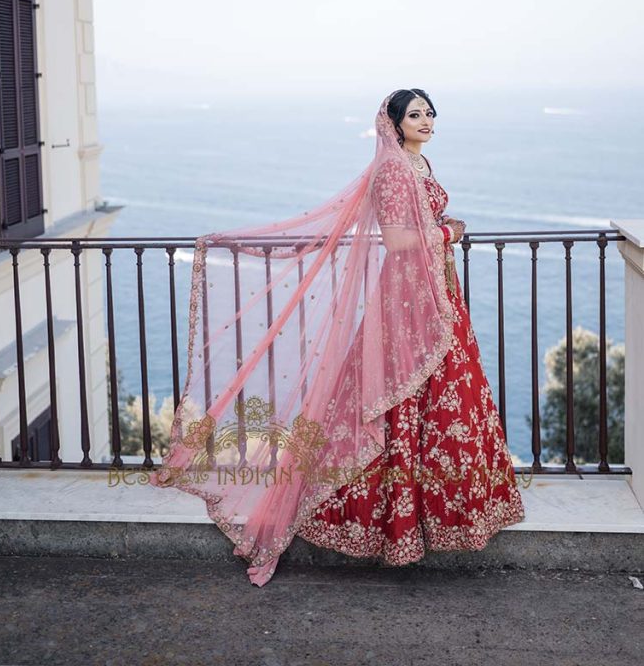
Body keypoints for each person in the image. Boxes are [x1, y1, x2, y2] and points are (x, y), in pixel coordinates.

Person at [149, 88, 525, 585]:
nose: (427, 120)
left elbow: (420, 222)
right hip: (407, 296)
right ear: (393, 123)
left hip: (434, 289)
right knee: (397, 399)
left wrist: (438, 227)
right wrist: (448, 234)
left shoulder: (421, 163)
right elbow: (396, 239)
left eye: (430, 113)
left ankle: (439, 510)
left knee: (446, 394)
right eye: (415, 114)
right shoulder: (392, 170)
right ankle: (386, 520)